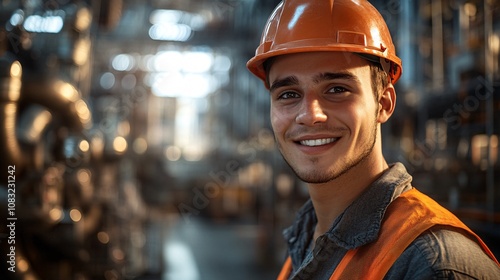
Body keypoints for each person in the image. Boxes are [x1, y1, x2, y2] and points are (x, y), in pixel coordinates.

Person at [246, 0, 500, 279]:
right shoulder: (305, 238)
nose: (310, 115)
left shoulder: (432, 265)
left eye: (337, 89)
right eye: (288, 94)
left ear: (384, 103)